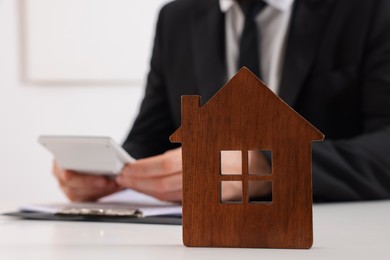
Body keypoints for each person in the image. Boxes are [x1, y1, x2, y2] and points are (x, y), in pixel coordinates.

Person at [53, 0, 390, 203]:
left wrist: (261, 168)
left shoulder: (373, 9)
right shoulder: (177, 18)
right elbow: (152, 138)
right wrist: (111, 172)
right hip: (203, 240)